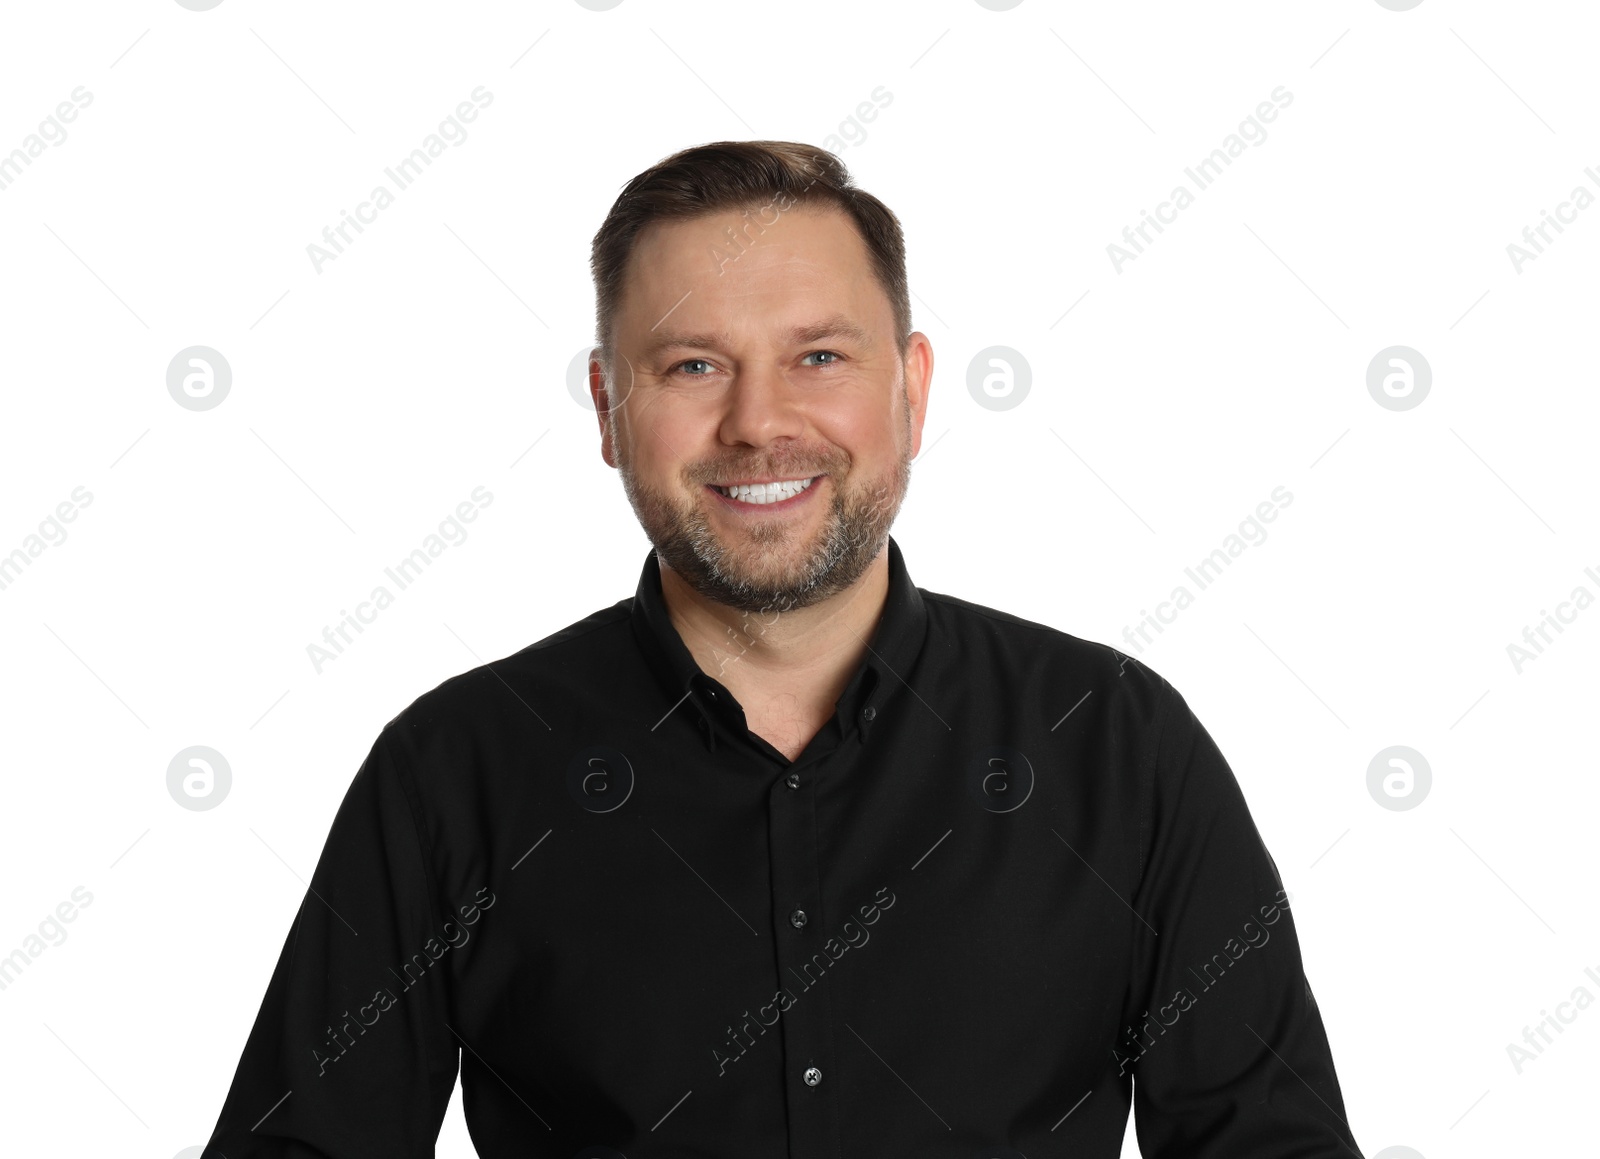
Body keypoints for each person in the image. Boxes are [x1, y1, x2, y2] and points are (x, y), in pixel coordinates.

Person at [203, 140, 1362, 1157]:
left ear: (909, 390)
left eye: (818, 357)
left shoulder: (1117, 745)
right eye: (692, 365)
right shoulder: (455, 767)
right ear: (608, 410)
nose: (758, 421)